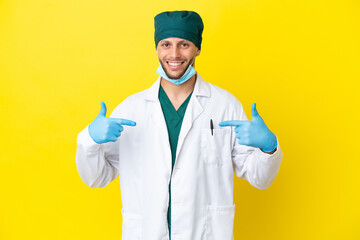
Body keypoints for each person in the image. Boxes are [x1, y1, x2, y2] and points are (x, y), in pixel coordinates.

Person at [76, 10, 283, 240]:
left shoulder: (226, 105)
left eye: (184, 44)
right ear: (157, 49)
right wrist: (90, 140)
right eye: (166, 44)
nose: (174, 54)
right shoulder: (130, 109)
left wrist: (269, 147)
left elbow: (260, 178)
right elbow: (96, 177)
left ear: (198, 49)